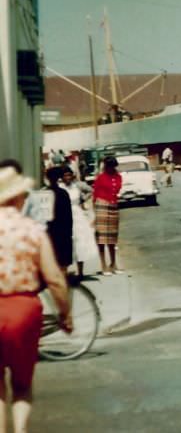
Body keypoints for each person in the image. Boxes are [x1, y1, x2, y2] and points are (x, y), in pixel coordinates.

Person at [0, 166, 71, 433]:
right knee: (21, 385)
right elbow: (53, 278)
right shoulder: (31, 230)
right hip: (22, 311)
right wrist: (66, 314)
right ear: (18, 197)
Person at [60, 169, 99, 278]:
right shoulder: (61, 188)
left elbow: (91, 190)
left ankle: (80, 272)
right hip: (65, 215)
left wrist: (83, 200)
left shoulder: (77, 187)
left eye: (69, 175)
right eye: (65, 175)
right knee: (68, 243)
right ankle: (65, 272)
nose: (67, 177)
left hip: (77, 215)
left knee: (80, 243)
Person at [93, 156, 123, 276]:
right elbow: (95, 194)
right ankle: (103, 265)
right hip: (101, 204)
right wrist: (94, 212)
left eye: (113, 165)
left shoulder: (118, 177)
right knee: (101, 238)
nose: (111, 168)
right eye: (109, 165)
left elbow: (117, 190)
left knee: (112, 237)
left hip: (113, 206)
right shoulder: (100, 178)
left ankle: (113, 264)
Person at [44, 167, 73, 272]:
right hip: (63, 230)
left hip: (50, 230)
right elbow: (68, 215)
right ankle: (64, 280)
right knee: (63, 260)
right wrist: (70, 231)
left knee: (52, 257)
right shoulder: (63, 193)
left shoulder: (44, 194)